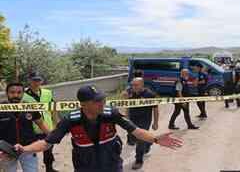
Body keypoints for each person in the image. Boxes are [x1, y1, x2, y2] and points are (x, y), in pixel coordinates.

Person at [14, 85, 183, 172]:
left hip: (112, 165)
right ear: (84, 104)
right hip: (85, 168)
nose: (103, 103)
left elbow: (136, 131)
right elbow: (47, 142)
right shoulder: (70, 120)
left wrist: (155, 138)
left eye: (102, 99)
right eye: (97, 101)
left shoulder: (111, 114)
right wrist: (24, 149)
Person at [0, 82, 50, 172]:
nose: (16, 95)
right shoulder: (0, 108)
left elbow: (41, 123)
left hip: (28, 149)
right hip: (6, 151)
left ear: (23, 94)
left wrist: (53, 136)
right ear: (7, 93)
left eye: (19, 92)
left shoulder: (29, 107)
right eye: (12, 92)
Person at [22, 72, 58, 172]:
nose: (36, 82)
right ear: (29, 80)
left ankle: (49, 169)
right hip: (32, 129)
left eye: (38, 80)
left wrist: (56, 124)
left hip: (48, 127)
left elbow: (53, 109)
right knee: (31, 152)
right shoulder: (23, 96)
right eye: (34, 80)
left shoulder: (47, 93)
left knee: (49, 150)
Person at [121, 78, 159, 170]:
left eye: (136, 85)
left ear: (142, 85)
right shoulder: (130, 92)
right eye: (132, 85)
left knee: (140, 139)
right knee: (132, 138)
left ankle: (138, 160)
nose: (133, 87)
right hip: (132, 120)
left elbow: (155, 109)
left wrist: (155, 122)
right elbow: (127, 104)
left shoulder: (150, 94)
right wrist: (126, 117)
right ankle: (149, 142)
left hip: (144, 120)